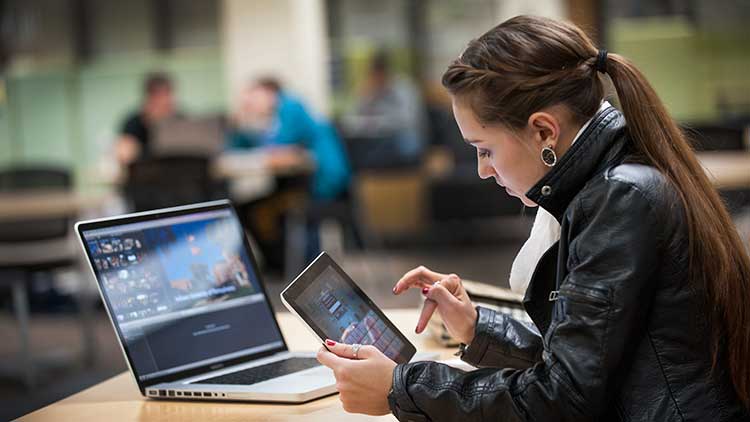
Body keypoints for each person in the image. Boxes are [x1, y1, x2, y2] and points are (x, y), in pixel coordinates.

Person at [316, 15, 750, 421]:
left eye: (484, 149)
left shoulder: (618, 199)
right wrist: (477, 327)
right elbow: (586, 361)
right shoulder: (617, 179)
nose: (482, 170)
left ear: (544, 131)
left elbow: (563, 396)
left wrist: (400, 387)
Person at [227, 78, 351, 269]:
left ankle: (285, 266)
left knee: (253, 209)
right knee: (248, 208)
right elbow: (240, 147)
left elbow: (280, 147)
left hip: (324, 187)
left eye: (254, 96)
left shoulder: (290, 107)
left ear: (269, 93)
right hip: (303, 186)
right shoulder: (277, 119)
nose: (250, 103)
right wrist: (239, 123)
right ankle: (278, 264)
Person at [340, 49, 427, 167]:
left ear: (386, 73)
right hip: (378, 140)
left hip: (405, 139)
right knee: (351, 148)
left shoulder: (404, 89)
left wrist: (379, 123)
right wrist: (366, 99)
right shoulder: (372, 90)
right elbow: (349, 120)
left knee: (378, 151)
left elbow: (407, 121)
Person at [116, 72, 177, 165]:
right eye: (158, 96)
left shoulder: (181, 120)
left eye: (166, 95)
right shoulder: (133, 123)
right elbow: (123, 155)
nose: (163, 102)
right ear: (149, 98)